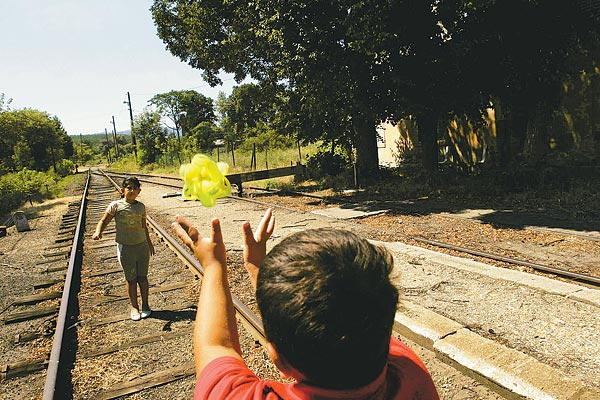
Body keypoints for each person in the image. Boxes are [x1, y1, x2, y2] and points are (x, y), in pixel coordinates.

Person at [172, 208, 439, 399]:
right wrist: (256, 270)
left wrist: (213, 264)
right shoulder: (411, 373)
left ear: (279, 361)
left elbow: (217, 345)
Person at [92, 176, 155, 321]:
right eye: (129, 188)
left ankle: (146, 305)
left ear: (139, 191)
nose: (132, 191)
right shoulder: (115, 206)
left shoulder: (141, 207)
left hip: (141, 246)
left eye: (135, 188)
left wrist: (149, 243)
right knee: (131, 279)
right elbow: (103, 220)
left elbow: (143, 226)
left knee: (143, 277)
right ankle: (134, 307)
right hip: (126, 248)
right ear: (123, 190)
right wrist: (98, 232)